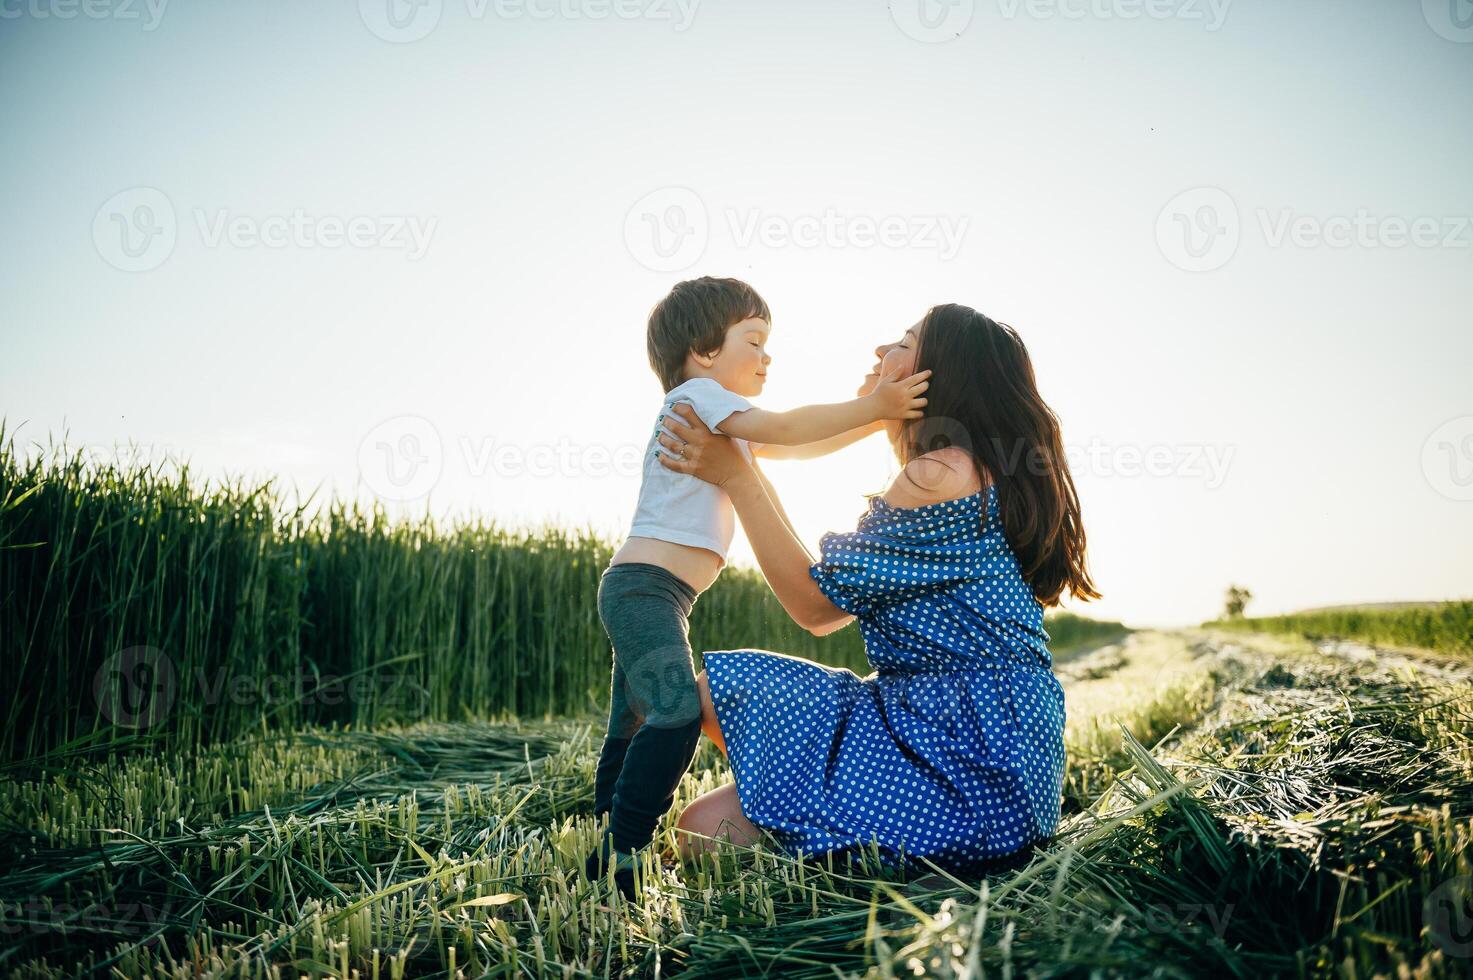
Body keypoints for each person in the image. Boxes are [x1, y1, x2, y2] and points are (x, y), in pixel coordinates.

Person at [655, 303, 1101, 878]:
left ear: (937, 374)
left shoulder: (938, 474)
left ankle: (828, 826)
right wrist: (870, 415)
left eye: (904, 342)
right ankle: (809, 812)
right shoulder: (963, 469)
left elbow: (815, 608)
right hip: (935, 722)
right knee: (708, 785)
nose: (879, 351)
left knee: (702, 831)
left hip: (961, 755)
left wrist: (738, 475)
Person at [584, 276, 933, 900]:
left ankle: (604, 817)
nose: (767, 355)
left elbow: (801, 445)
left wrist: (875, 420)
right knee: (674, 714)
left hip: (655, 592)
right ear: (703, 348)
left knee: (636, 716)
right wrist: (876, 406)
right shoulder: (699, 396)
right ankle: (624, 851)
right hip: (645, 589)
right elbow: (790, 427)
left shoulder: (720, 417)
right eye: (754, 339)